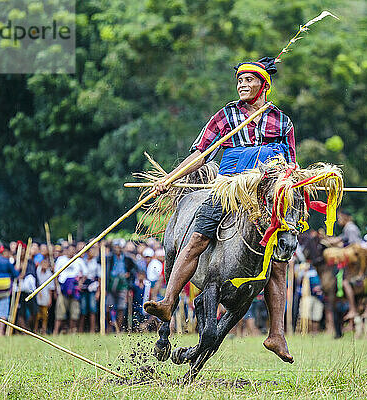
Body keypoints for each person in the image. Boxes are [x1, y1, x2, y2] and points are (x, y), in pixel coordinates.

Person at [144, 57, 297, 363]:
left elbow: (292, 162)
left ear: (264, 85)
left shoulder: (281, 120)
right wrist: (169, 180)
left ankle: (276, 334)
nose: (242, 85)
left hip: (265, 193)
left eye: (249, 80)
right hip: (228, 189)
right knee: (197, 240)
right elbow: (200, 154)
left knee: (279, 262)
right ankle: (168, 301)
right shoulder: (226, 115)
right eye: (239, 80)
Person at [54, 244, 85, 334]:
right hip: (63, 289)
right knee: (60, 312)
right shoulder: (61, 260)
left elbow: (85, 273)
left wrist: (80, 284)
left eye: (73, 250)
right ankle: (56, 332)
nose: (71, 252)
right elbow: (55, 275)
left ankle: (72, 331)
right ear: (66, 251)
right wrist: (57, 289)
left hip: (75, 289)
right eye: (69, 250)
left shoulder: (79, 260)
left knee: (74, 312)